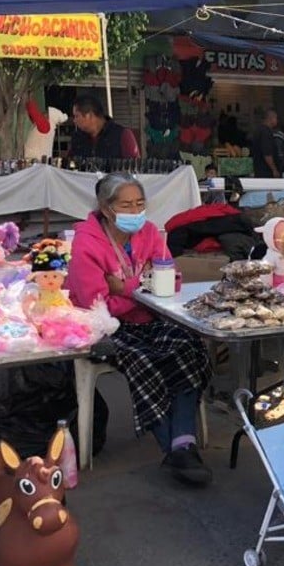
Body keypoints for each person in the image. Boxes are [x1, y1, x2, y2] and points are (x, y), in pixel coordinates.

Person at [66, 173, 213, 485]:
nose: (135, 212)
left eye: (140, 204)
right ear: (106, 209)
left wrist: (125, 288)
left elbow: (171, 281)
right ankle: (174, 448)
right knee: (142, 361)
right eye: (127, 205)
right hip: (108, 328)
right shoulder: (86, 244)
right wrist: (143, 287)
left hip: (151, 318)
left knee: (188, 345)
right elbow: (98, 305)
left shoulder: (149, 233)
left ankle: (182, 443)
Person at [69, 94, 140, 160]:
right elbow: (69, 166)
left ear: (90, 115)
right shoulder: (77, 138)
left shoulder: (122, 134)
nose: (74, 120)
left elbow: (135, 167)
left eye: (77, 116)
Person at [250, 109, 283, 178]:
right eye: (276, 118)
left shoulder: (259, 129)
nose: (277, 120)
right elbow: (267, 154)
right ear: (271, 119)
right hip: (266, 171)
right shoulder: (266, 132)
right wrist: (274, 169)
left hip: (259, 169)